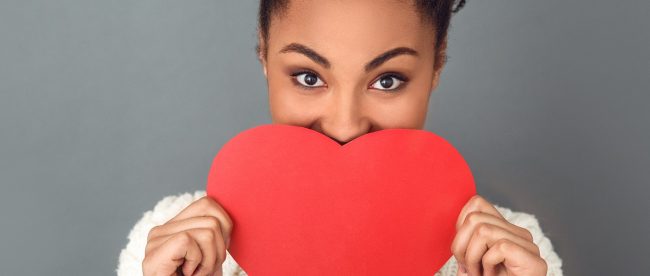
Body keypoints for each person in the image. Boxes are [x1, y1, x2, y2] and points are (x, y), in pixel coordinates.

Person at [117, 0, 564, 275]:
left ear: (436, 69)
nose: (346, 125)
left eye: (387, 80)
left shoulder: (509, 254)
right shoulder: (170, 245)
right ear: (263, 57)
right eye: (309, 76)